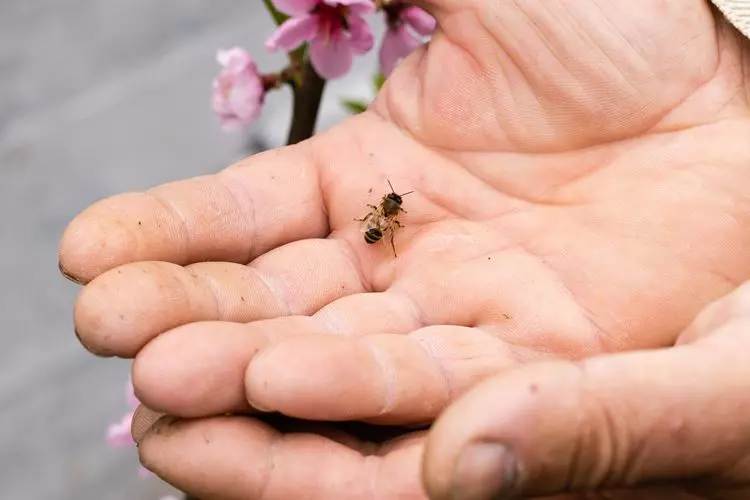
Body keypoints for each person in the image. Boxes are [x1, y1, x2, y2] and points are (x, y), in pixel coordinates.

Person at [58, 0, 750, 498]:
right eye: (391, 209)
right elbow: (380, 218)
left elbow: (384, 218)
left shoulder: (391, 215)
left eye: (390, 211)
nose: (391, 212)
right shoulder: (385, 214)